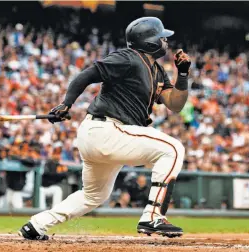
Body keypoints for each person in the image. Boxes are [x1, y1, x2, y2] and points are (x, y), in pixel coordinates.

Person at [19, 17, 190, 240]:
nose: (166, 42)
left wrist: (183, 75)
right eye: (162, 38)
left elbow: (175, 104)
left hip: (103, 135)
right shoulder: (128, 58)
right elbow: (88, 75)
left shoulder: (157, 71)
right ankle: (153, 215)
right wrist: (66, 103)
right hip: (108, 130)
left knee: (94, 195)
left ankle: (38, 224)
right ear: (150, 42)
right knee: (173, 148)